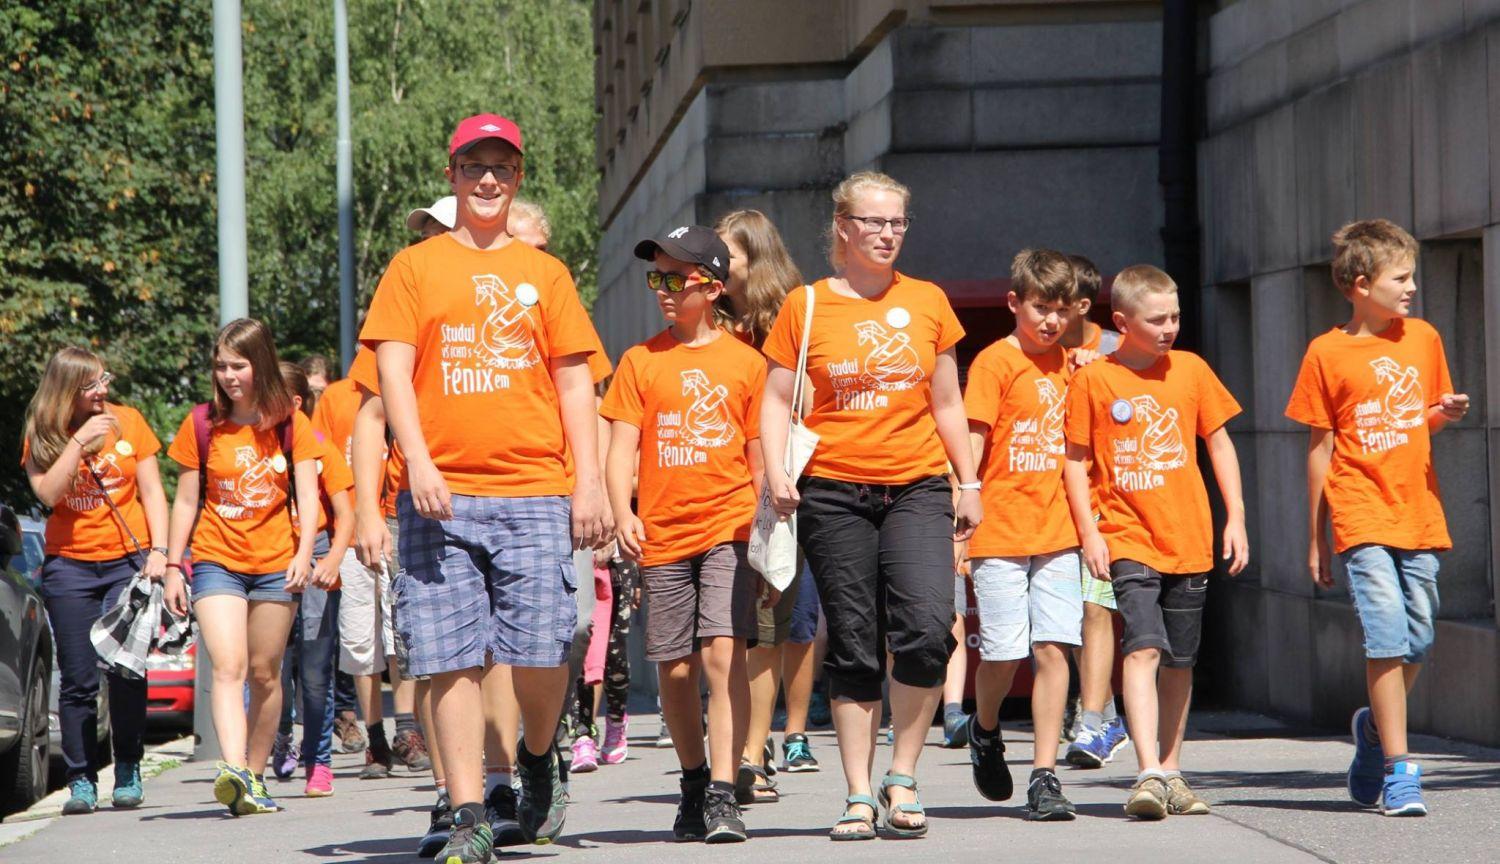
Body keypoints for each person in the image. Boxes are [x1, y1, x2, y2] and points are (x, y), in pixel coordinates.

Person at [359, 113, 610, 862]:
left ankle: (537, 753)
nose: (488, 179)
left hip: (535, 489)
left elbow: (576, 384)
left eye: (501, 167)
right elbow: (391, 373)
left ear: (518, 177)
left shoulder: (546, 275)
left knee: (543, 648)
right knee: (448, 657)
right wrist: (418, 462)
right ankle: (468, 810)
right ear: (453, 176)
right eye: (474, 167)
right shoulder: (415, 269)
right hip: (441, 498)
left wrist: (589, 484)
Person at [761, 172, 982, 840]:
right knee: (854, 643)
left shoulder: (928, 300)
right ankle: (858, 792)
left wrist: (969, 482)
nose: (888, 234)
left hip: (918, 485)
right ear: (843, 227)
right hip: (833, 492)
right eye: (874, 222)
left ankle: (903, 775)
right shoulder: (805, 305)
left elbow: (948, 401)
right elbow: (775, 399)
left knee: (927, 629)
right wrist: (775, 471)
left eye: (898, 223)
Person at [1285, 219, 1467, 817]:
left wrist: (1444, 413)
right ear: (1361, 285)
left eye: (1413, 276)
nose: (1412, 287)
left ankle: (1371, 728)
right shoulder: (1326, 352)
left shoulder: (1423, 338)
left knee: (1420, 636)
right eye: (1401, 278)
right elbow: (1320, 449)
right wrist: (1316, 537)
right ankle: (1400, 769)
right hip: (1359, 511)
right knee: (1386, 634)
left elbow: (1418, 421)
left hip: (1418, 510)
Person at [1062, 265, 1249, 820]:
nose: (1169, 328)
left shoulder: (1191, 369)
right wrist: (1089, 532)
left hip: (1188, 538)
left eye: (1175, 317)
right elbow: (1075, 461)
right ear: (1122, 323)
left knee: (1179, 660)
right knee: (1143, 646)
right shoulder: (1094, 379)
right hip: (1127, 536)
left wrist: (1236, 516)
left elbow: (1219, 443)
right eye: (1157, 319)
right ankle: (1146, 772)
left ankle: (1171, 769)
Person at [603, 224, 766, 842]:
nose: (664, 290)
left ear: (714, 287)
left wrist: (771, 534)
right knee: (675, 670)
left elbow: (758, 456)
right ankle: (694, 781)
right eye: (657, 278)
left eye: (677, 279)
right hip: (662, 534)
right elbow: (621, 448)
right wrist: (622, 511)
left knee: (724, 654)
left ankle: (724, 792)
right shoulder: (639, 361)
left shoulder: (746, 363)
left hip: (730, 525)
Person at [165, 318, 322, 816]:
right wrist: (173, 565)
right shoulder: (201, 424)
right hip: (216, 558)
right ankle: (233, 770)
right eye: (221, 366)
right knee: (228, 667)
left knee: (265, 674)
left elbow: (309, 496)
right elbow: (185, 501)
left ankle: (254, 775)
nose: (229, 376)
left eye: (239, 365)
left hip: (278, 562)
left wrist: (305, 553)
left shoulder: (290, 424)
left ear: (261, 363)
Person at [22, 348, 179, 814]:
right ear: (66, 389)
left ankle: (127, 767)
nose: (103, 390)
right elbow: (48, 495)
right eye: (91, 384)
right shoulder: (42, 432)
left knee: (126, 669)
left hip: (126, 563)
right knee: (78, 678)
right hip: (69, 567)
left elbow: (152, 490)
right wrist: (77, 443)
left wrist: (160, 551)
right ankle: (81, 780)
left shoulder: (129, 421)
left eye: (103, 379)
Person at [961, 249, 1087, 821]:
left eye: (1062, 310)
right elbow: (973, 439)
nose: (1051, 321)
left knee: (1054, 647)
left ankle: (1044, 775)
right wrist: (962, 512)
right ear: (1015, 303)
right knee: (1004, 653)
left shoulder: (1073, 364)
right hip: (1000, 529)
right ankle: (985, 727)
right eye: (1040, 308)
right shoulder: (996, 362)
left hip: (1057, 529)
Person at [714, 208, 814, 797]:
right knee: (730, 630)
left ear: (755, 259)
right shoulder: (711, 321)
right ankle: (736, 750)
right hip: (719, 483)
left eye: (726, 254)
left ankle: (753, 753)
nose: (714, 265)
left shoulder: (794, 318)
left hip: (778, 485)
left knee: (770, 625)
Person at [317, 358, 432, 781]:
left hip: (402, 523)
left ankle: (407, 730)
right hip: (351, 534)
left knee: (401, 633)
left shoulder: (412, 384)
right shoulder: (335, 397)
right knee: (360, 638)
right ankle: (375, 739)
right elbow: (319, 461)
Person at [270, 362, 354, 797]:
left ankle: (318, 761)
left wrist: (334, 559)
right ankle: (282, 733)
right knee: (272, 666)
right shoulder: (254, 441)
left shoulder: (321, 446)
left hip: (318, 555)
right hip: (270, 557)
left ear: (295, 403)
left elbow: (346, 514)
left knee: (316, 669)